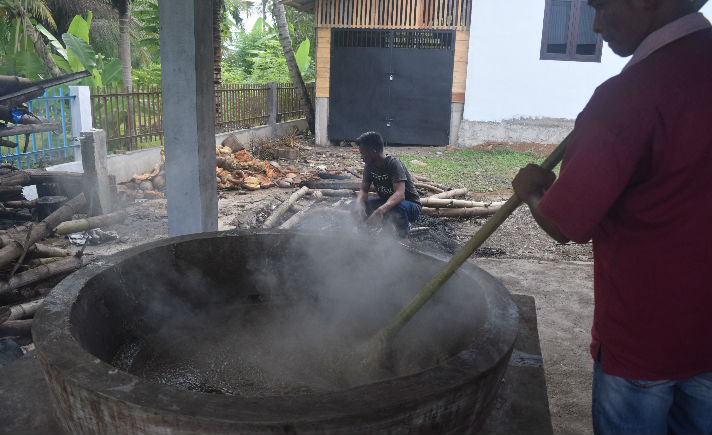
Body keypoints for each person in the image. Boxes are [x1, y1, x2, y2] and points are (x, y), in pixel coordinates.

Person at [512, 1, 712, 433]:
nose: (596, 24)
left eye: (601, 6)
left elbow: (566, 223)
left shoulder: (629, 97)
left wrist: (532, 193)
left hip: (644, 338)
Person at [354, 131, 421, 238]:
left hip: (410, 207)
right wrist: (359, 204)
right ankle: (365, 237)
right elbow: (363, 190)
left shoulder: (393, 163)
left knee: (397, 207)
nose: (361, 156)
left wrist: (380, 210)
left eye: (362, 153)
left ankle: (404, 238)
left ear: (374, 151)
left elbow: (400, 195)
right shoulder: (369, 166)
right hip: (389, 205)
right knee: (359, 206)